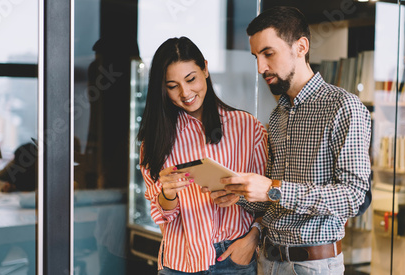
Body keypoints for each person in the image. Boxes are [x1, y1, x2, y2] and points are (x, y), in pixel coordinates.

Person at [208, 7, 372, 275]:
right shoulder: (278, 115)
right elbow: (275, 201)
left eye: (268, 54)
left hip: (313, 265)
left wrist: (273, 188)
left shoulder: (343, 106)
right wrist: (237, 193)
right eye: (256, 57)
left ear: (301, 47)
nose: (261, 67)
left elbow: (353, 197)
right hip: (268, 260)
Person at [138, 36, 268, 274]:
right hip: (179, 262)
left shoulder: (247, 127)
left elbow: (266, 200)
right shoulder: (155, 140)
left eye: (191, 79)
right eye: (172, 86)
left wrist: (251, 240)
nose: (185, 92)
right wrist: (167, 193)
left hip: (234, 258)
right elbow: (162, 213)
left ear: (205, 69)